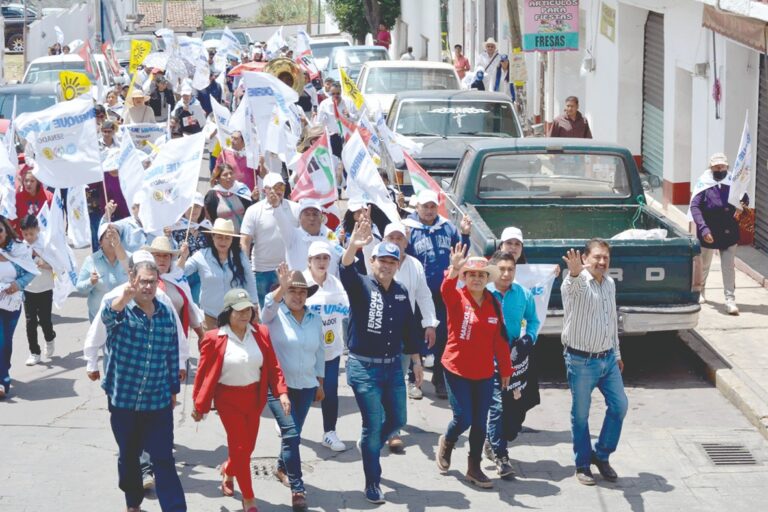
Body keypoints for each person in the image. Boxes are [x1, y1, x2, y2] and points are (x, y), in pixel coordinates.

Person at [90, 258, 187, 511]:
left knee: (164, 458)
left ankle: (175, 508)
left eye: (152, 282)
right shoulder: (121, 309)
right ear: (133, 280)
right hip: (124, 400)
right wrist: (123, 297)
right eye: (142, 281)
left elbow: (170, 354)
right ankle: (133, 502)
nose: (147, 287)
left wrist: (173, 392)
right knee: (129, 458)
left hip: (157, 402)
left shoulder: (166, 314)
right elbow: (107, 317)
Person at [339, 219, 423, 505]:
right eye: (382, 260)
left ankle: (369, 445)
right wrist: (353, 244)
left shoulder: (400, 292)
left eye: (392, 261)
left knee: (399, 419)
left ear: (398, 265)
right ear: (372, 261)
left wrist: (417, 362)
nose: (387, 266)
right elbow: (345, 269)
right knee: (372, 425)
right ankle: (372, 483)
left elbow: (410, 329)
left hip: (391, 368)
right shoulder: (361, 285)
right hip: (363, 368)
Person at [192, 288, 290, 512]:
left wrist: (282, 392)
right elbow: (202, 374)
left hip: (254, 398)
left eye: (248, 310)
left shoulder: (261, 333)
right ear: (228, 312)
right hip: (228, 400)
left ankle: (228, 468)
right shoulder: (213, 338)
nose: (245, 315)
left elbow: (274, 366)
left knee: (248, 448)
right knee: (238, 447)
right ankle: (249, 498)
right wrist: (199, 405)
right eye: (239, 311)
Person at [435, 245, 512, 489]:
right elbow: (445, 289)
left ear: (487, 278)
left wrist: (507, 370)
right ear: (465, 278)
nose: (477, 278)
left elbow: (500, 340)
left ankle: (474, 467)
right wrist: (454, 268)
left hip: (484, 373)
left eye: (481, 275)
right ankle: (447, 441)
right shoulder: (457, 297)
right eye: (471, 274)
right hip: (456, 368)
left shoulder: (493, 304)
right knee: (463, 418)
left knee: (480, 422)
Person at [561, 239, 628, 486]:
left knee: (620, 406)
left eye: (605, 258)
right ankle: (582, 464)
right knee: (580, 415)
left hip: (607, 359)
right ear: (586, 259)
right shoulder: (575, 282)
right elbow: (572, 289)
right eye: (597, 257)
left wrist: (617, 354)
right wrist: (576, 272)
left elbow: (611, 320)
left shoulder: (609, 284)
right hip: (581, 362)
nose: (601, 262)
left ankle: (601, 454)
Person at [262, 265, 325, 512]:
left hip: (307, 385)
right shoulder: (275, 315)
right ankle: (298, 488)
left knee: (293, 433)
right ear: (284, 293)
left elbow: (321, 351)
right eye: (292, 292)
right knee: (291, 435)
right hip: (279, 387)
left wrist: (320, 383)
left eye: (302, 293)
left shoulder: (315, 319)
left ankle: (281, 466)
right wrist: (281, 287)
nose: (297, 297)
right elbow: (266, 306)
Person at [404, 189, 471, 399]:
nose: (430, 210)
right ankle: (414, 380)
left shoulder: (448, 227)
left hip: (443, 294)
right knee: (414, 335)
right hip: (417, 293)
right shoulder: (409, 228)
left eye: (433, 206)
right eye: (425, 206)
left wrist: (465, 234)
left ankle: (440, 379)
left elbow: (460, 253)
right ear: (417, 207)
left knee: (443, 336)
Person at [483, 250, 541, 478]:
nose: (506, 274)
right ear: (494, 269)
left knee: (515, 413)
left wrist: (529, 338)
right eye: (502, 269)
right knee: (496, 407)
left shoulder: (523, 294)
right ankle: (501, 456)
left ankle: (495, 440)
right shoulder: (483, 293)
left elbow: (534, 320)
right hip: (488, 360)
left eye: (511, 269)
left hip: (516, 360)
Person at [380, 223, 438, 449]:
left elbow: (423, 294)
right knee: (381, 381)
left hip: (405, 331)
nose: (395, 241)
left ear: (406, 241)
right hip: (379, 331)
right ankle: (381, 423)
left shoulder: (414, 264)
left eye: (400, 238)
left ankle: (393, 429)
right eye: (391, 237)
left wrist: (430, 323)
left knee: (398, 380)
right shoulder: (376, 260)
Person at [303, 241, 350, 453]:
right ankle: (288, 422)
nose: (322, 262)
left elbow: (347, 311)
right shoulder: (300, 282)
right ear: (309, 261)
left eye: (325, 258)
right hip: (304, 351)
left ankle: (329, 432)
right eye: (317, 258)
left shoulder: (336, 285)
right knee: (301, 392)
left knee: (330, 390)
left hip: (331, 350)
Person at [690, 152, 748, 315]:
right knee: (705, 264)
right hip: (709, 232)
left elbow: (744, 199)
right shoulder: (704, 184)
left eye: (722, 166)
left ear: (727, 167)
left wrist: (741, 207)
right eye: (716, 166)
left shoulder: (733, 182)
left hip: (729, 232)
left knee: (728, 266)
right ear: (711, 168)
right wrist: (703, 228)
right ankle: (700, 290)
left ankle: (730, 299)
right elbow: (695, 207)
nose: (719, 169)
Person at [180, 218, 257, 330]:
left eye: (227, 238)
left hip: (235, 315)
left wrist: (254, 304)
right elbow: (181, 272)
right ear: (213, 237)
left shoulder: (240, 256)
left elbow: (250, 280)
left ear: (232, 240)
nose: (223, 241)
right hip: (209, 316)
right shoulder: (201, 255)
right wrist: (183, 257)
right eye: (219, 237)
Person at [241, 173, 300, 308]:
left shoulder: (296, 209)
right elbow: (245, 241)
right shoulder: (253, 210)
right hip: (262, 271)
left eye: (281, 187)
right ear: (264, 191)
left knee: (289, 311)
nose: (277, 191)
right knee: (265, 311)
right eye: (273, 187)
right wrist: (246, 267)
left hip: (289, 269)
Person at [0, 215, 38, 399]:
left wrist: (18, 284)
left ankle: (3, 369)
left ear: (6, 230)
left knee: (5, 341)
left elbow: (31, 272)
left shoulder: (18, 249)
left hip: (11, 302)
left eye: (0, 230)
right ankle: (2, 382)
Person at [144, 236, 205, 342]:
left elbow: (190, 308)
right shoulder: (143, 280)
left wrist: (201, 335)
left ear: (171, 258)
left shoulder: (178, 278)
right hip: (149, 338)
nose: (162, 259)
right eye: (158, 255)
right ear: (151, 257)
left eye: (165, 256)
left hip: (176, 339)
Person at [20, 216, 56, 366]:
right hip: (28, 289)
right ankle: (34, 352)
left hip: (45, 288)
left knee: (45, 320)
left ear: (38, 230)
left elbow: (57, 265)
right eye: (26, 234)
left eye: (31, 234)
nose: (29, 237)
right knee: (30, 322)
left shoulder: (46, 244)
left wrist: (44, 264)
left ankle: (50, 337)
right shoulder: (21, 246)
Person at [76, 224, 130, 322]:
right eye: (108, 237)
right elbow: (79, 287)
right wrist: (90, 282)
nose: (111, 240)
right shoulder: (91, 260)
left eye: (114, 236)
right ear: (100, 242)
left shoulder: (129, 258)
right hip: (99, 318)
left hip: (125, 317)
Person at [273, 198, 342, 274]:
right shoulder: (292, 235)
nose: (311, 218)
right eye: (307, 214)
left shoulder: (329, 234)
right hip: (300, 284)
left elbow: (339, 252)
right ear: (299, 218)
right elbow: (281, 221)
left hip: (327, 284)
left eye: (315, 214)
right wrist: (277, 206)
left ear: (321, 217)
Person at [205, 163, 254, 232]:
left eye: (231, 173)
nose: (229, 176)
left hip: (243, 235)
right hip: (223, 238)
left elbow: (251, 211)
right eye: (225, 175)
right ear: (218, 179)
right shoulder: (212, 195)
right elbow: (209, 219)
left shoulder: (241, 190)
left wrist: (254, 199)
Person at [316, 83, 357, 160]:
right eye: (333, 94)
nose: (335, 96)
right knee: (337, 160)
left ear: (341, 92)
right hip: (334, 137)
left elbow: (357, 117)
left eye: (338, 93)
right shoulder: (324, 104)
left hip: (348, 135)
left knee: (349, 159)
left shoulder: (348, 102)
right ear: (330, 93)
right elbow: (319, 122)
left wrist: (349, 115)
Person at [13, 167, 52, 235]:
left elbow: (54, 219)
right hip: (23, 239)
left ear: (38, 182)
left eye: (32, 181)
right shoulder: (17, 198)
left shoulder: (49, 196)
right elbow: (12, 219)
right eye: (26, 180)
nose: (28, 183)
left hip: (43, 238)